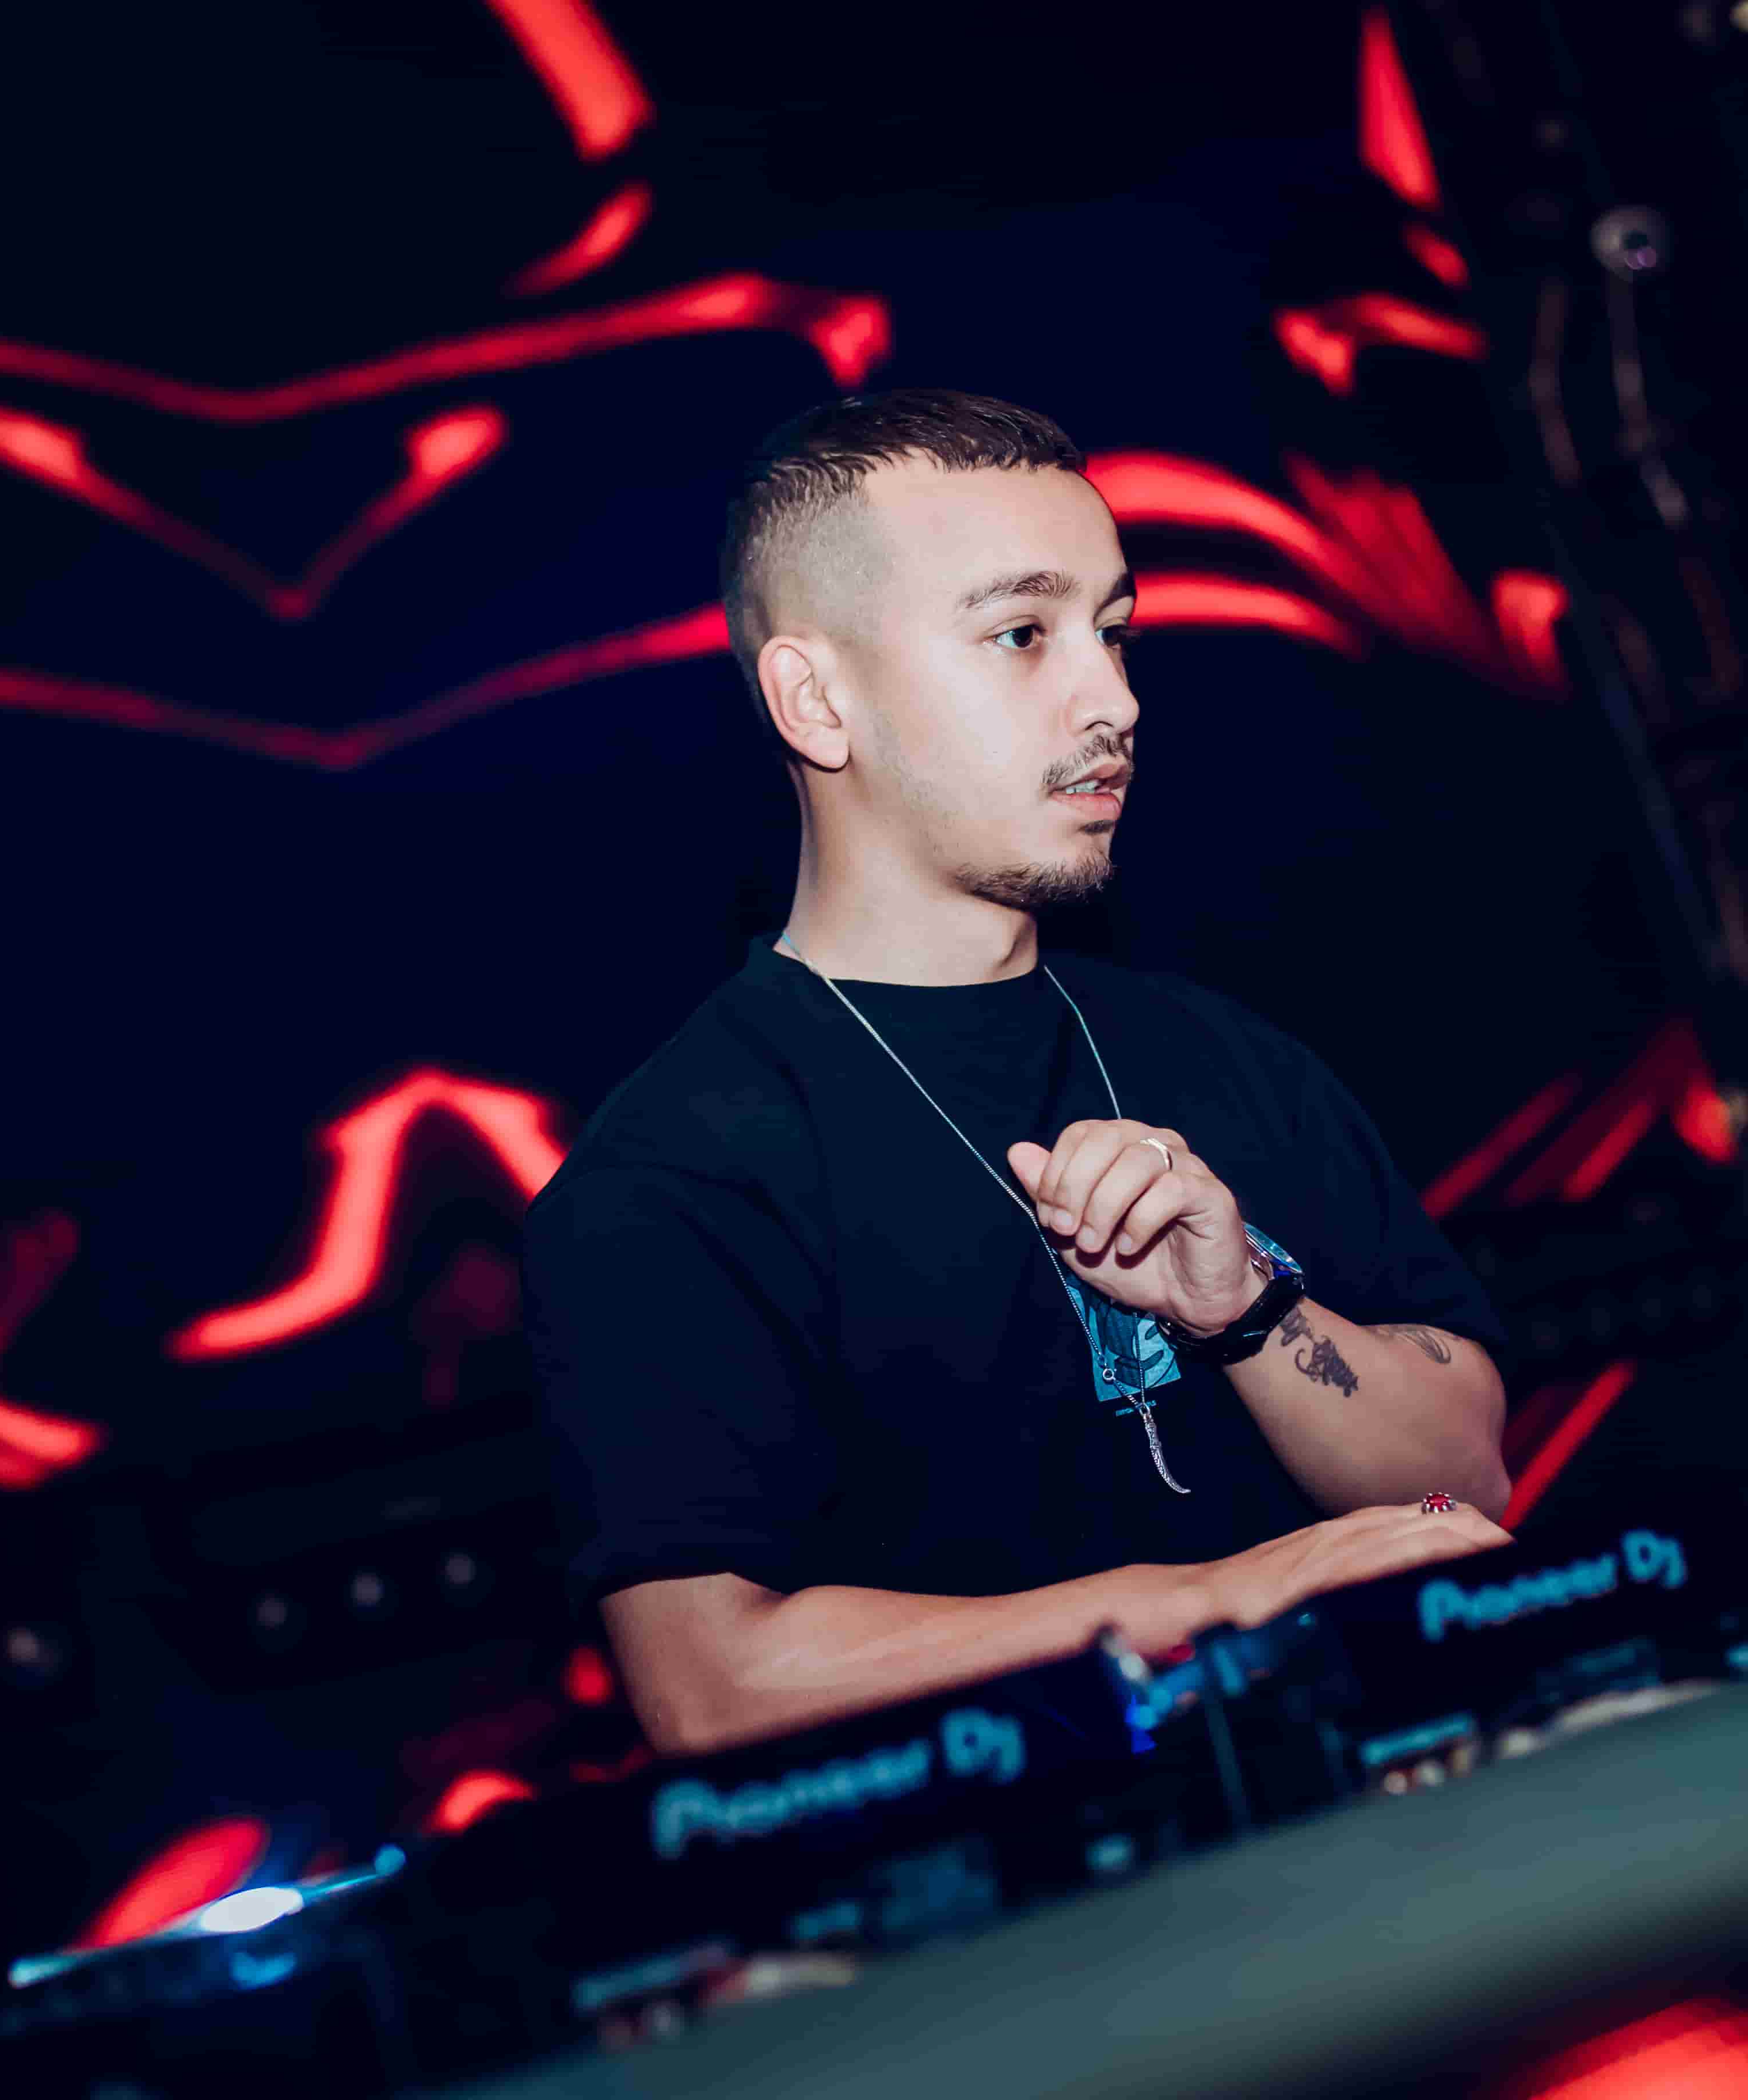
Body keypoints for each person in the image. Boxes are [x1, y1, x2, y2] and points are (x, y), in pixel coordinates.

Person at [521, 389, 1517, 1758]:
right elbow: (711, 1684)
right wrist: (1215, 1603)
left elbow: (1467, 1485)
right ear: (817, 700)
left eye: (1114, 632)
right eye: (1022, 635)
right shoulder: (676, 1175)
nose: (1115, 700)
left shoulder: (1225, 1054)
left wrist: (1247, 1309)